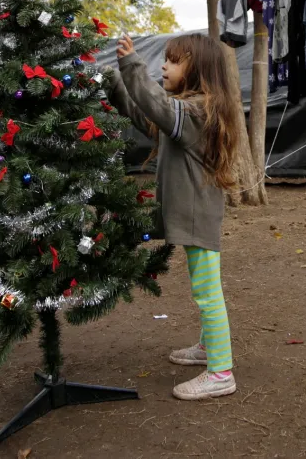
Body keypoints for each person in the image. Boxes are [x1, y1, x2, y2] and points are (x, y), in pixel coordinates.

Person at [108, 33, 240, 400]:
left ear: (197, 70)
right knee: (205, 290)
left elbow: (157, 107)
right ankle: (207, 348)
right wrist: (116, 85)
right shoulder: (185, 108)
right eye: (164, 59)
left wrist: (132, 65)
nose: (163, 66)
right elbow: (145, 113)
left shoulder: (197, 112)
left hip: (198, 215)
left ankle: (221, 373)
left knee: (208, 294)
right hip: (189, 211)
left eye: (174, 60)